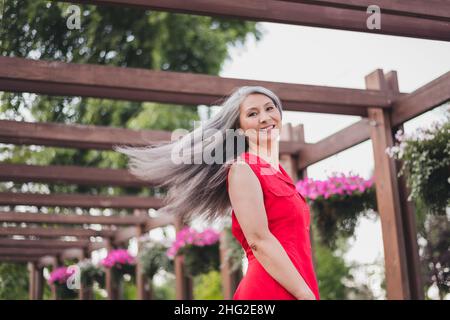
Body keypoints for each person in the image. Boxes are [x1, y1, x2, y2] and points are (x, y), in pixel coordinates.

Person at [115, 86, 320, 300]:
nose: (265, 118)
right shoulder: (243, 168)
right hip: (272, 290)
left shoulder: (279, 172)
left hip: (297, 284)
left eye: (270, 108)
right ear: (239, 129)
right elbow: (259, 240)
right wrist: (304, 293)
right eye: (253, 113)